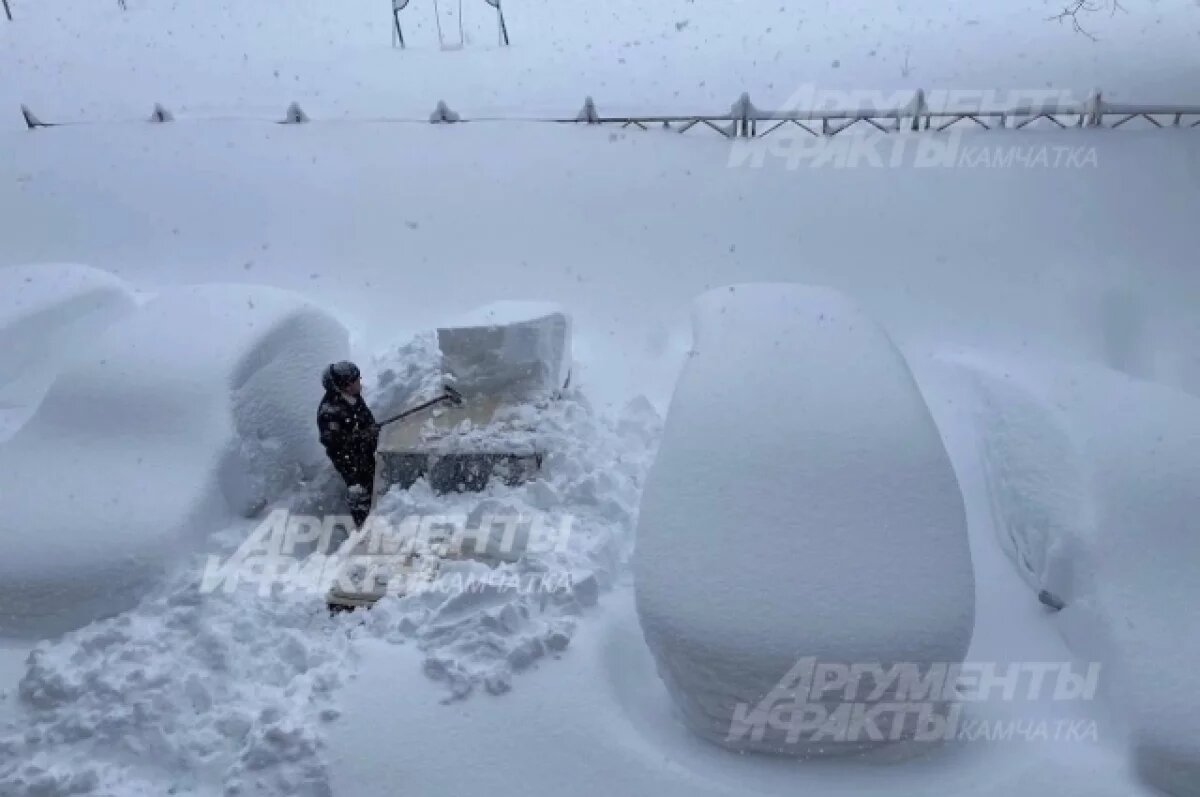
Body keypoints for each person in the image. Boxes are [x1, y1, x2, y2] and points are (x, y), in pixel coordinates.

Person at [317, 361, 379, 527]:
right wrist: (360, 436)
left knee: (373, 480)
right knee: (359, 489)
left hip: (365, 453)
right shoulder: (330, 412)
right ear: (345, 385)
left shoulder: (353, 398)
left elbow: (366, 419)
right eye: (356, 380)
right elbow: (333, 443)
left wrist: (370, 431)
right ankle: (362, 525)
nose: (360, 382)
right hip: (348, 461)